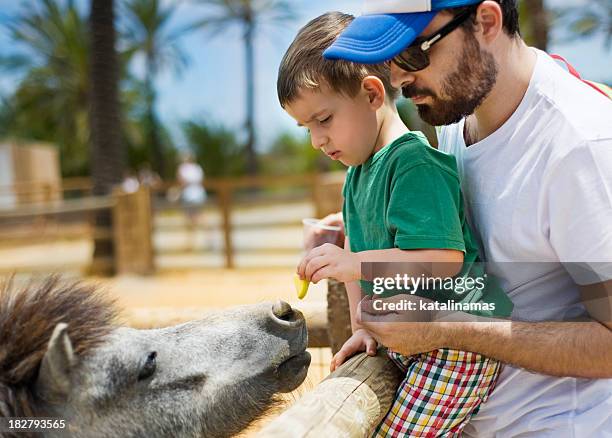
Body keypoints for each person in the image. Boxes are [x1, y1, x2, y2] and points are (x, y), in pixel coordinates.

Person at [322, 0, 612, 436]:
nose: (398, 78)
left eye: (414, 53)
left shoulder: (578, 146)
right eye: (388, 59)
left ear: (487, 22)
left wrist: (446, 327)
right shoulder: (458, 110)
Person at [278, 12, 513, 436]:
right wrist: (361, 328)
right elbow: (354, 253)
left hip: (455, 345)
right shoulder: (355, 175)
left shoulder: (413, 162)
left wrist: (356, 265)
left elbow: (443, 260)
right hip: (410, 337)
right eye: (305, 128)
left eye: (324, 120)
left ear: (371, 95)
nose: (316, 140)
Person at [177, 152, 206, 238]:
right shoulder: (198, 168)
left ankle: (190, 239)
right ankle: (208, 234)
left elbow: (181, 181)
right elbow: (202, 181)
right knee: (199, 215)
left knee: (188, 217)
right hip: (199, 195)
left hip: (188, 196)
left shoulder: (183, 168)